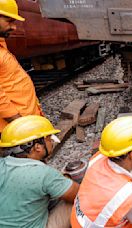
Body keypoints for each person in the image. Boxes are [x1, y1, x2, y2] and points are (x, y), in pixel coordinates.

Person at [0, 115, 80, 228]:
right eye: (48, 138)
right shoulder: (43, 173)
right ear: (37, 147)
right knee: (77, 203)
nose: (51, 141)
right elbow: (78, 195)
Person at [0, 0, 44, 132]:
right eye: (9, 21)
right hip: (14, 129)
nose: (14, 27)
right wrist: (20, 125)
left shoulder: (2, 44)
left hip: (22, 123)